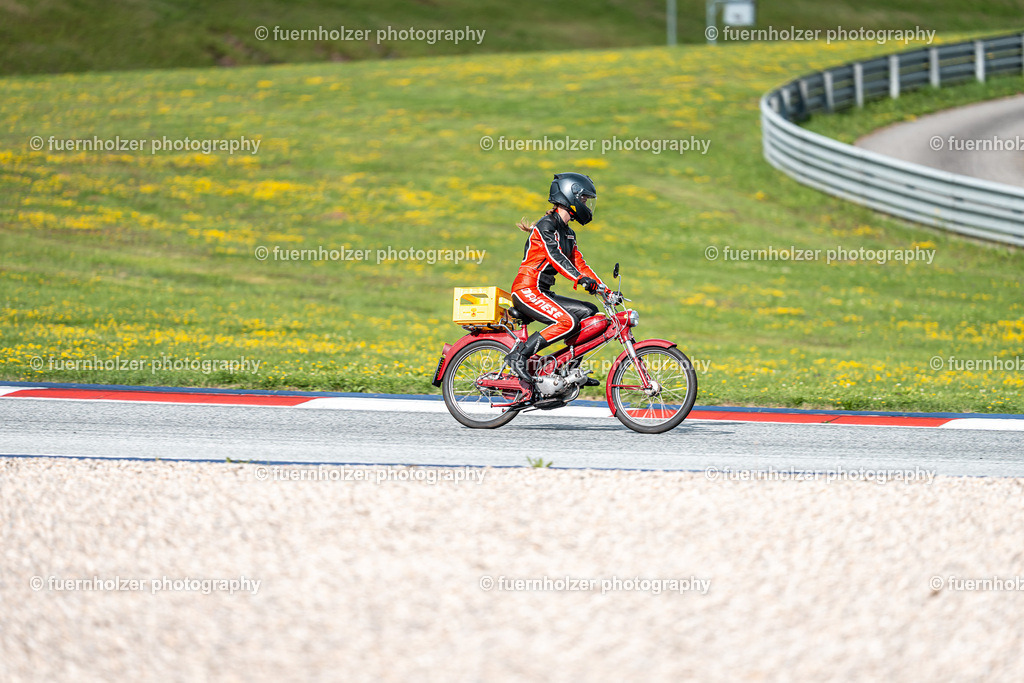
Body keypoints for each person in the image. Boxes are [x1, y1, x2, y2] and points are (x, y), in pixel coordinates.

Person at [505, 172, 608, 391]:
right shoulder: (546, 226)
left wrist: (603, 289)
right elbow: (556, 257)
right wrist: (580, 280)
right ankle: (518, 356)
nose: (586, 205)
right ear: (569, 196)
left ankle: (568, 369)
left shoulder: (568, 233)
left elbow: (580, 263)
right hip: (526, 289)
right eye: (583, 200)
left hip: (542, 292)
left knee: (590, 312)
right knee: (567, 321)